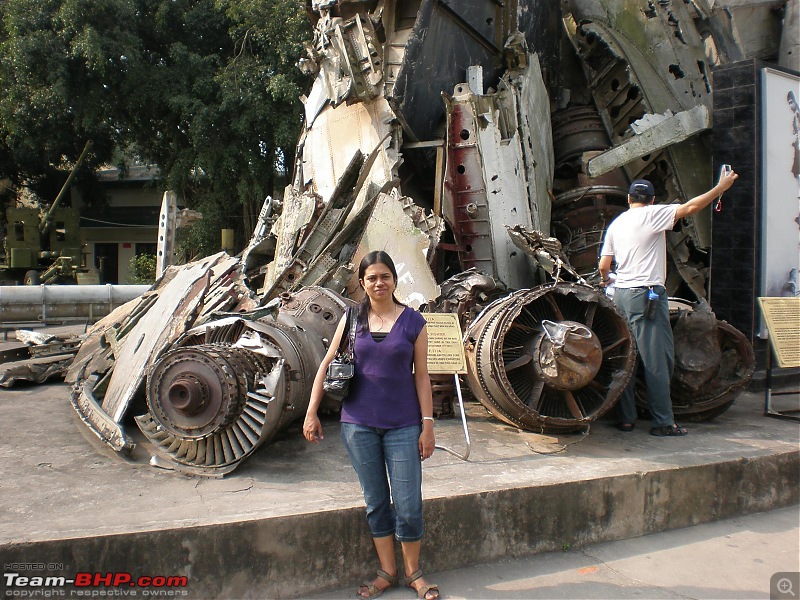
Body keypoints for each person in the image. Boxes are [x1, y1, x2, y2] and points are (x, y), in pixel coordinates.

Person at [303, 250, 439, 600]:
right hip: (358, 425)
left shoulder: (413, 322)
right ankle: (387, 572)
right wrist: (312, 411)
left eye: (385, 276)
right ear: (362, 283)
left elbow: (421, 377)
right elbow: (328, 364)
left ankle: (413, 573)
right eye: (372, 278)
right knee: (376, 501)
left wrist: (428, 425)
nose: (379, 283)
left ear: (394, 280)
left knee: (408, 503)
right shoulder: (352, 318)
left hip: (404, 425)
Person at [598, 172, 738, 436]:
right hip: (647, 296)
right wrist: (720, 187)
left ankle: (626, 419)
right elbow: (691, 207)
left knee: (627, 356)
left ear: (629, 198)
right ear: (651, 200)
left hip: (620, 296)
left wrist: (607, 280)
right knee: (657, 360)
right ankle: (663, 422)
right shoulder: (652, 215)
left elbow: (604, 266)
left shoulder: (616, 224)